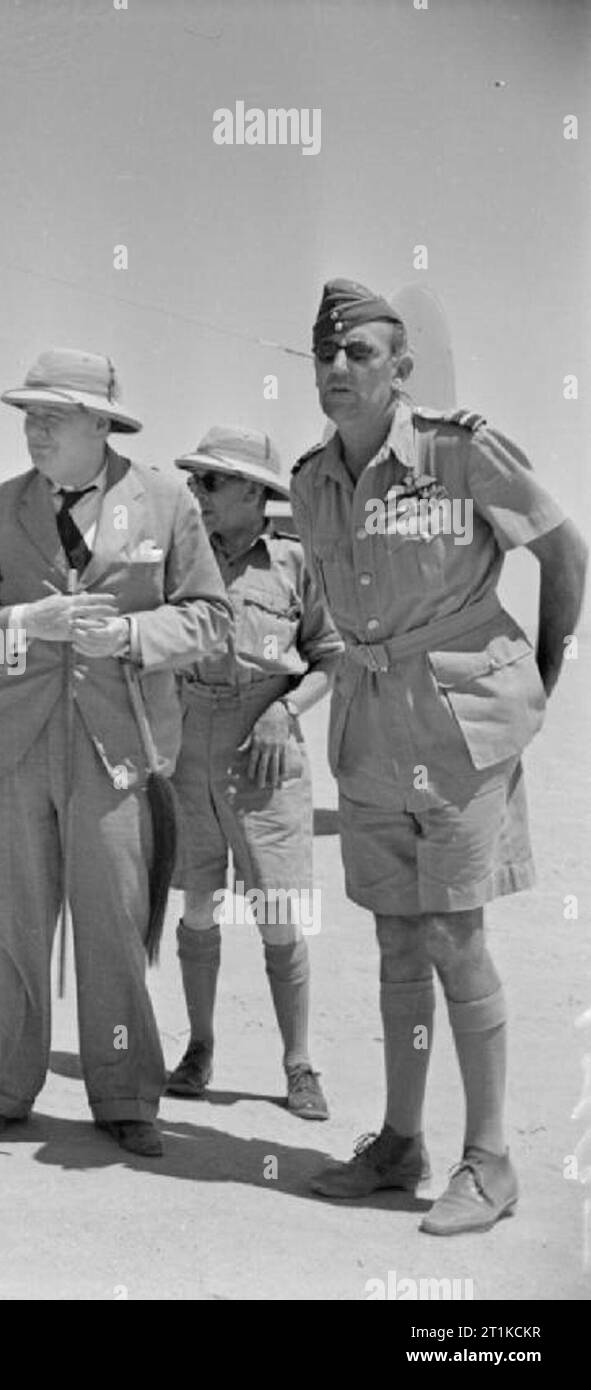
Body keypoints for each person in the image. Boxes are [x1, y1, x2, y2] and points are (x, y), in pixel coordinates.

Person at [291, 279, 587, 1234]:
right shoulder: (309, 479)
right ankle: (399, 1143)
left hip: (461, 727)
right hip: (372, 728)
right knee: (392, 938)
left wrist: (538, 675)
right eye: (324, 354)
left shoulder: (460, 453)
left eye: (360, 355)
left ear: (400, 368)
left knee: (456, 937)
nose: (337, 370)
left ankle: (490, 1162)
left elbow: (565, 551)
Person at [0, 348, 232, 1157]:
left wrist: (132, 634)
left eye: (53, 415)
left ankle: (126, 1095)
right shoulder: (0, 508)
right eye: (28, 414)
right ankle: (6, 1087)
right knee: (17, 924)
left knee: (113, 923)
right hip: (15, 746)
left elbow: (211, 618)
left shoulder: (167, 502)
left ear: (101, 424)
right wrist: (27, 624)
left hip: (117, 746)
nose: (34, 429)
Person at [168, 426, 343, 1119]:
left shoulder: (296, 564)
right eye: (194, 481)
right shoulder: (181, 559)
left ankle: (298, 1064)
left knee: (276, 913)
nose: (197, 494)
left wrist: (284, 712)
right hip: (190, 741)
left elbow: (330, 657)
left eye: (209, 482)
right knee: (196, 904)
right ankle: (199, 1048)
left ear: (252, 491)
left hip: (267, 750)